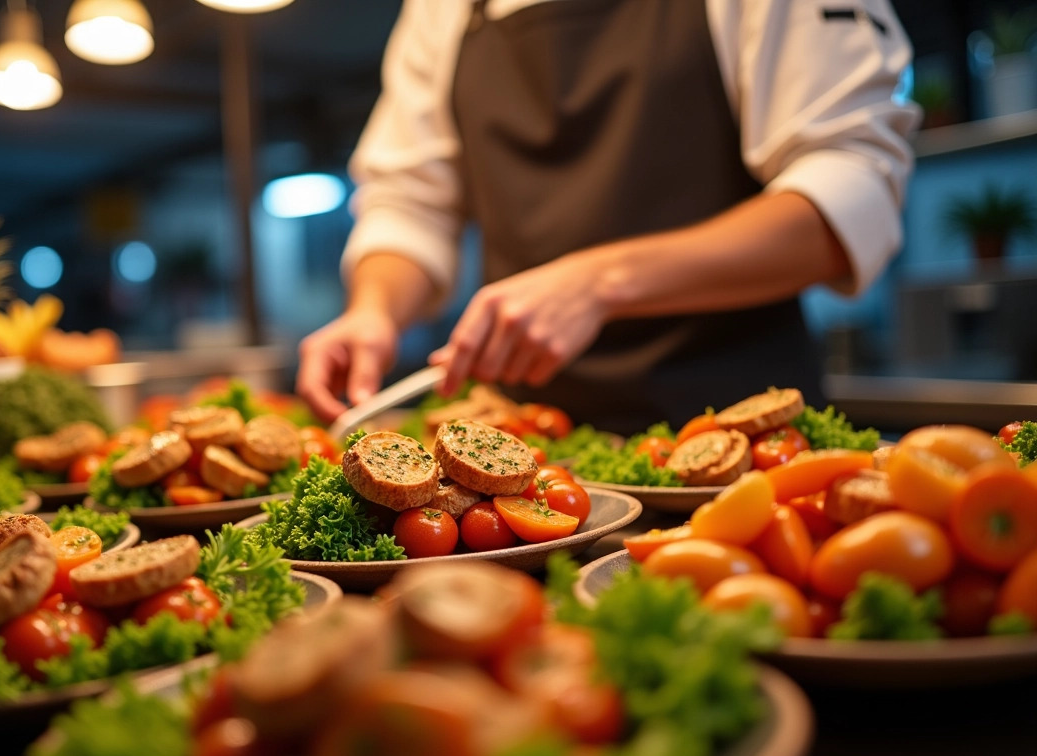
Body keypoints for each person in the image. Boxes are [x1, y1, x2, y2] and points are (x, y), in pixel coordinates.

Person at [296, 0, 918, 432]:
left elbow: (852, 187)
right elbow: (410, 199)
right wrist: (373, 311)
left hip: (740, 432)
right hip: (532, 459)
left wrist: (601, 282)